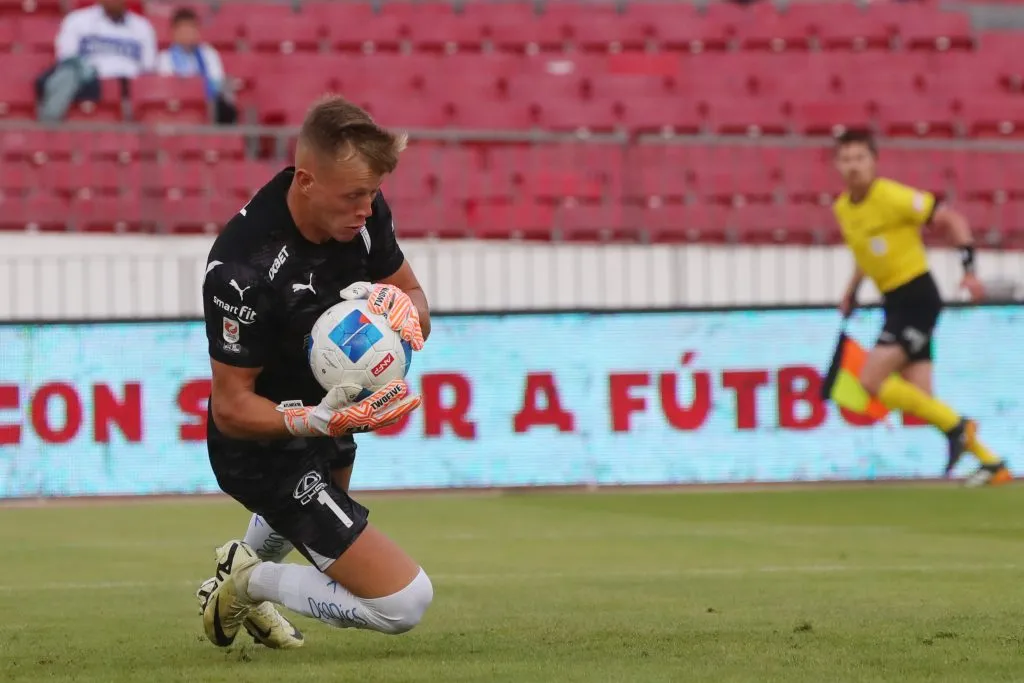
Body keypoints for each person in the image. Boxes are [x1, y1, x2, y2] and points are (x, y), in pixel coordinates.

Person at [196, 95, 433, 650]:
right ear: (305, 180)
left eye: (372, 193)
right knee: (403, 603)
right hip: (261, 451)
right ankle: (248, 584)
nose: (366, 207)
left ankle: (242, 571)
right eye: (354, 195)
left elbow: (414, 298)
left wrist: (410, 314)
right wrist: (316, 420)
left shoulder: (366, 215)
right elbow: (231, 407)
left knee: (317, 536)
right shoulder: (242, 268)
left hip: (334, 423)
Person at [832, 129, 1011, 487]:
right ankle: (993, 464)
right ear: (837, 165)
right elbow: (864, 254)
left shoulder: (893, 196)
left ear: (874, 161)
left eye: (860, 158)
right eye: (846, 159)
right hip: (893, 302)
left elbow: (950, 219)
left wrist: (969, 270)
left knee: (870, 380)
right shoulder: (842, 209)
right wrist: (851, 292)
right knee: (922, 396)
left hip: (916, 296)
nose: (854, 167)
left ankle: (960, 427)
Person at [38, 0, 156, 121]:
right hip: (88, 90)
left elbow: (148, 67)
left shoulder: (142, 26)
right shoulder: (77, 20)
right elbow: (67, 58)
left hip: (128, 94)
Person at [156, 7, 237, 124]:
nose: (188, 33)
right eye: (183, 29)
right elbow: (169, 87)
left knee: (226, 107)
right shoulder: (164, 58)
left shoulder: (209, 54)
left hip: (207, 103)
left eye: (191, 28)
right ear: (173, 33)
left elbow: (217, 82)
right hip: (178, 105)